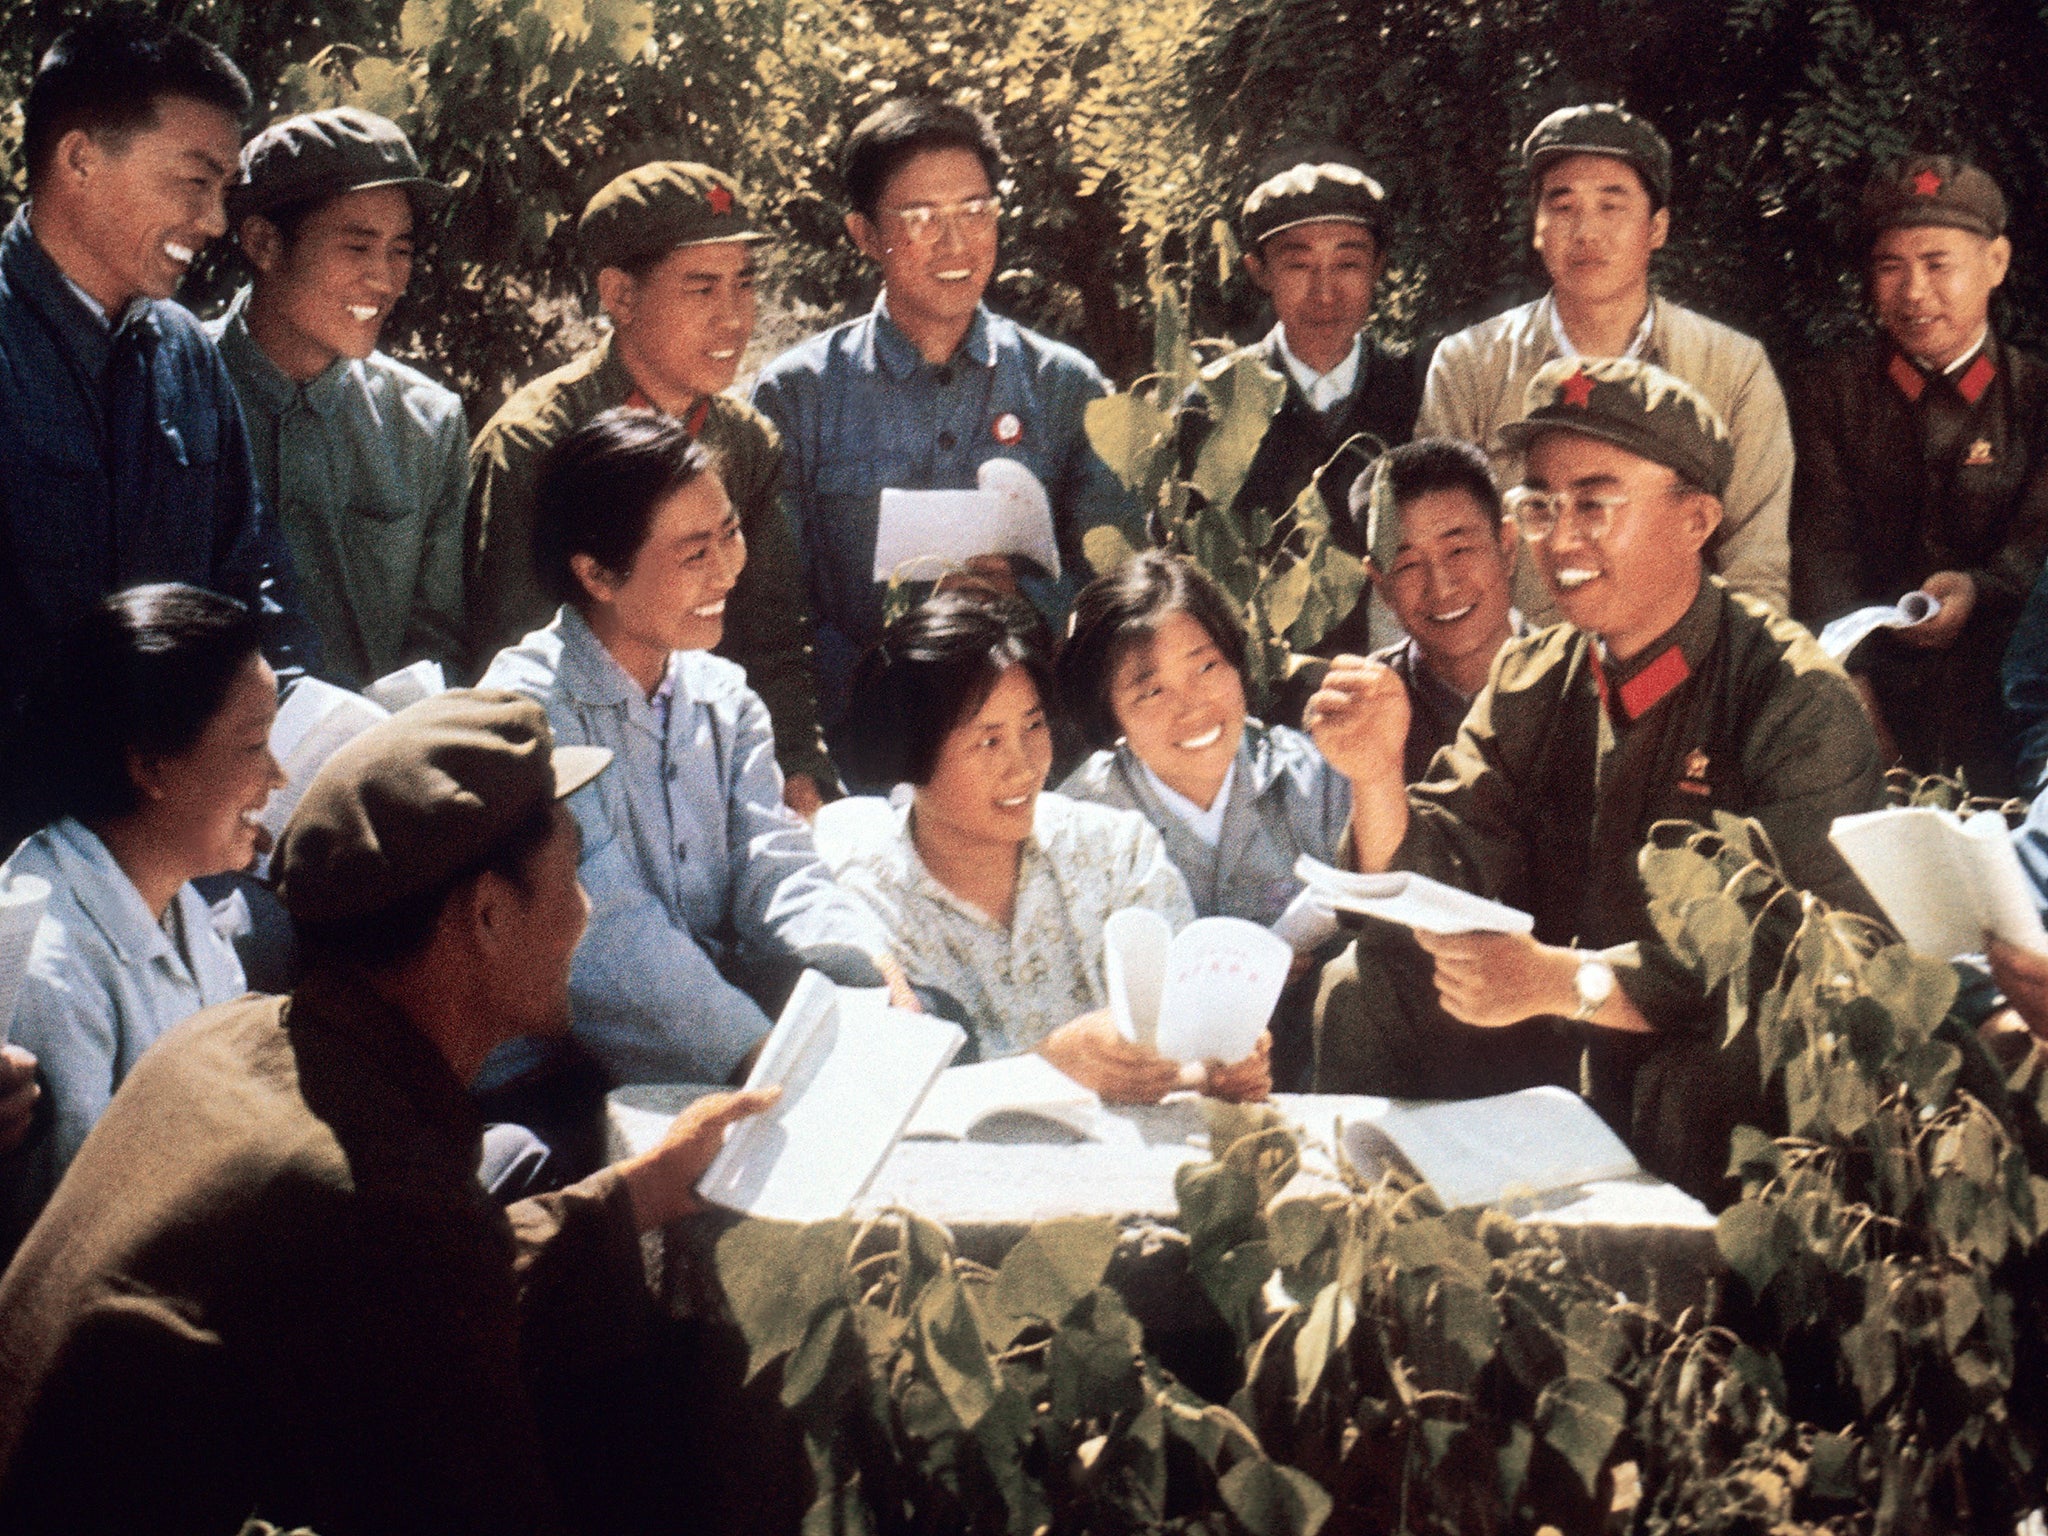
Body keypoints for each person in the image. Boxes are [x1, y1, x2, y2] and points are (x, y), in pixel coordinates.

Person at [0, 688, 779, 1533]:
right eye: (572, 879)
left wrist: (644, 1189)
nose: (587, 915)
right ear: (486, 914)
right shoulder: (377, 1200)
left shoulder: (233, 1040)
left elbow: (445, 1272)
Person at [1310, 356, 1884, 1206]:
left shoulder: (1791, 700)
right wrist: (1375, 774)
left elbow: (1787, 960)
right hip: (1561, 1046)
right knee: (1361, 987)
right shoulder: (1534, 677)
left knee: (1710, 1077)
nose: (1560, 536)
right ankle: (1370, 1268)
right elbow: (1440, 877)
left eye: (1595, 502)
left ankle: (1696, 1325)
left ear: (1696, 518)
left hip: (1694, 1056)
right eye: (1540, 503)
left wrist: (1557, 980)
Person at [477, 409, 910, 1157]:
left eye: (731, 533)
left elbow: (777, 869)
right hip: (550, 1069)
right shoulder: (526, 708)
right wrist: (757, 1057)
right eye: (693, 552)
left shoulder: (725, 697)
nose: (727, 570)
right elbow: (604, 932)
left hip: (707, 1029)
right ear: (596, 573)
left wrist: (865, 964)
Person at [750, 98, 1138, 751]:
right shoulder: (797, 397)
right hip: (857, 748)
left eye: (975, 212)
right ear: (864, 234)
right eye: (922, 218)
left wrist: (1030, 605)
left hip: (1037, 750)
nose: (956, 243)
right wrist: (893, 672)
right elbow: (773, 617)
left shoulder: (1068, 387)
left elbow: (1119, 591)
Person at [467, 162, 834, 812]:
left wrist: (797, 769)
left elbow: (773, 636)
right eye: (702, 290)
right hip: (576, 776)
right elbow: (513, 661)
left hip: (716, 758)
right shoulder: (538, 442)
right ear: (620, 296)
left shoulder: (745, 443)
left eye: (744, 286)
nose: (733, 319)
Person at [815, 588, 1271, 1102]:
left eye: (1034, 726)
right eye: (988, 741)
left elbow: (1184, 1052)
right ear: (909, 754)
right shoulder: (865, 907)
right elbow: (883, 1100)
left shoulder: (1118, 852)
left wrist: (1217, 1070)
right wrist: (1050, 1067)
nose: (1026, 765)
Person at [0, 12, 318, 727]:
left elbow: (254, 580)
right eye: (193, 182)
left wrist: (306, 733)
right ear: (79, 160)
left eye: (223, 191)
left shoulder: (185, 354)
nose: (213, 222)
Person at [1416, 103, 1792, 629]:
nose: (1586, 231)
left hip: (1678, 674)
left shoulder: (1732, 367)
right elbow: (1434, 552)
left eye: (1611, 206)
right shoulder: (1470, 367)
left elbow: (1756, 567)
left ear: (1657, 227)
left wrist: (1731, 693)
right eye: (1563, 205)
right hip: (1516, 671)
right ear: (1537, 227)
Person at [0, 585, 276, 1247]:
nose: (279, 774)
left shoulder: (180, 903)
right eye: (253, 746)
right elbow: (75, 1252)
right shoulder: (49, 972)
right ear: (152, 765)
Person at [1791, 155, 2046, 799]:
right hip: (1868, 699)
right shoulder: (1834, 395)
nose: (1912, 291)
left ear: (1996, 264)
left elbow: (2036, 552)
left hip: (2011, 709)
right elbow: (1824, 557)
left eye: (1937, 264)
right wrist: (1856, 704)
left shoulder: (2038, 397)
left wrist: (1977, 589)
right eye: (1890, 266)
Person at [1056, 552, 1351, 1089]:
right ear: (1108, 712)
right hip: (1157, 1096)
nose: (1191, 706)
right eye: (1151, 691)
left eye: (1207, 666)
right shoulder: (1081, 820)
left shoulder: (1313, 775)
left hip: (1320, 1082)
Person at [209, 106, 467, 691]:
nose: (384, 279)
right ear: (264, 244)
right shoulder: (174, 393)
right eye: (356, 247)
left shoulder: (426, 424)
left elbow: (436, 640)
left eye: (400, 250)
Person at [1173, 146, 1418, 655]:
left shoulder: (1415, 392)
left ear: (1378, 268)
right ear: (1258, 270)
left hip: (1399, 677)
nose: (1325, 291)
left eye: (1348, 263)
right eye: (1299, 265)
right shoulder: (1212, 406)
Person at [1354, 437, 1527, 782]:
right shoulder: (1363, 710)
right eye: (1408, 565)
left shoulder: (1584, 676)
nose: (1442, 586)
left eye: (1458, 550)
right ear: (1381, 585)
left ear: (1506, 546)